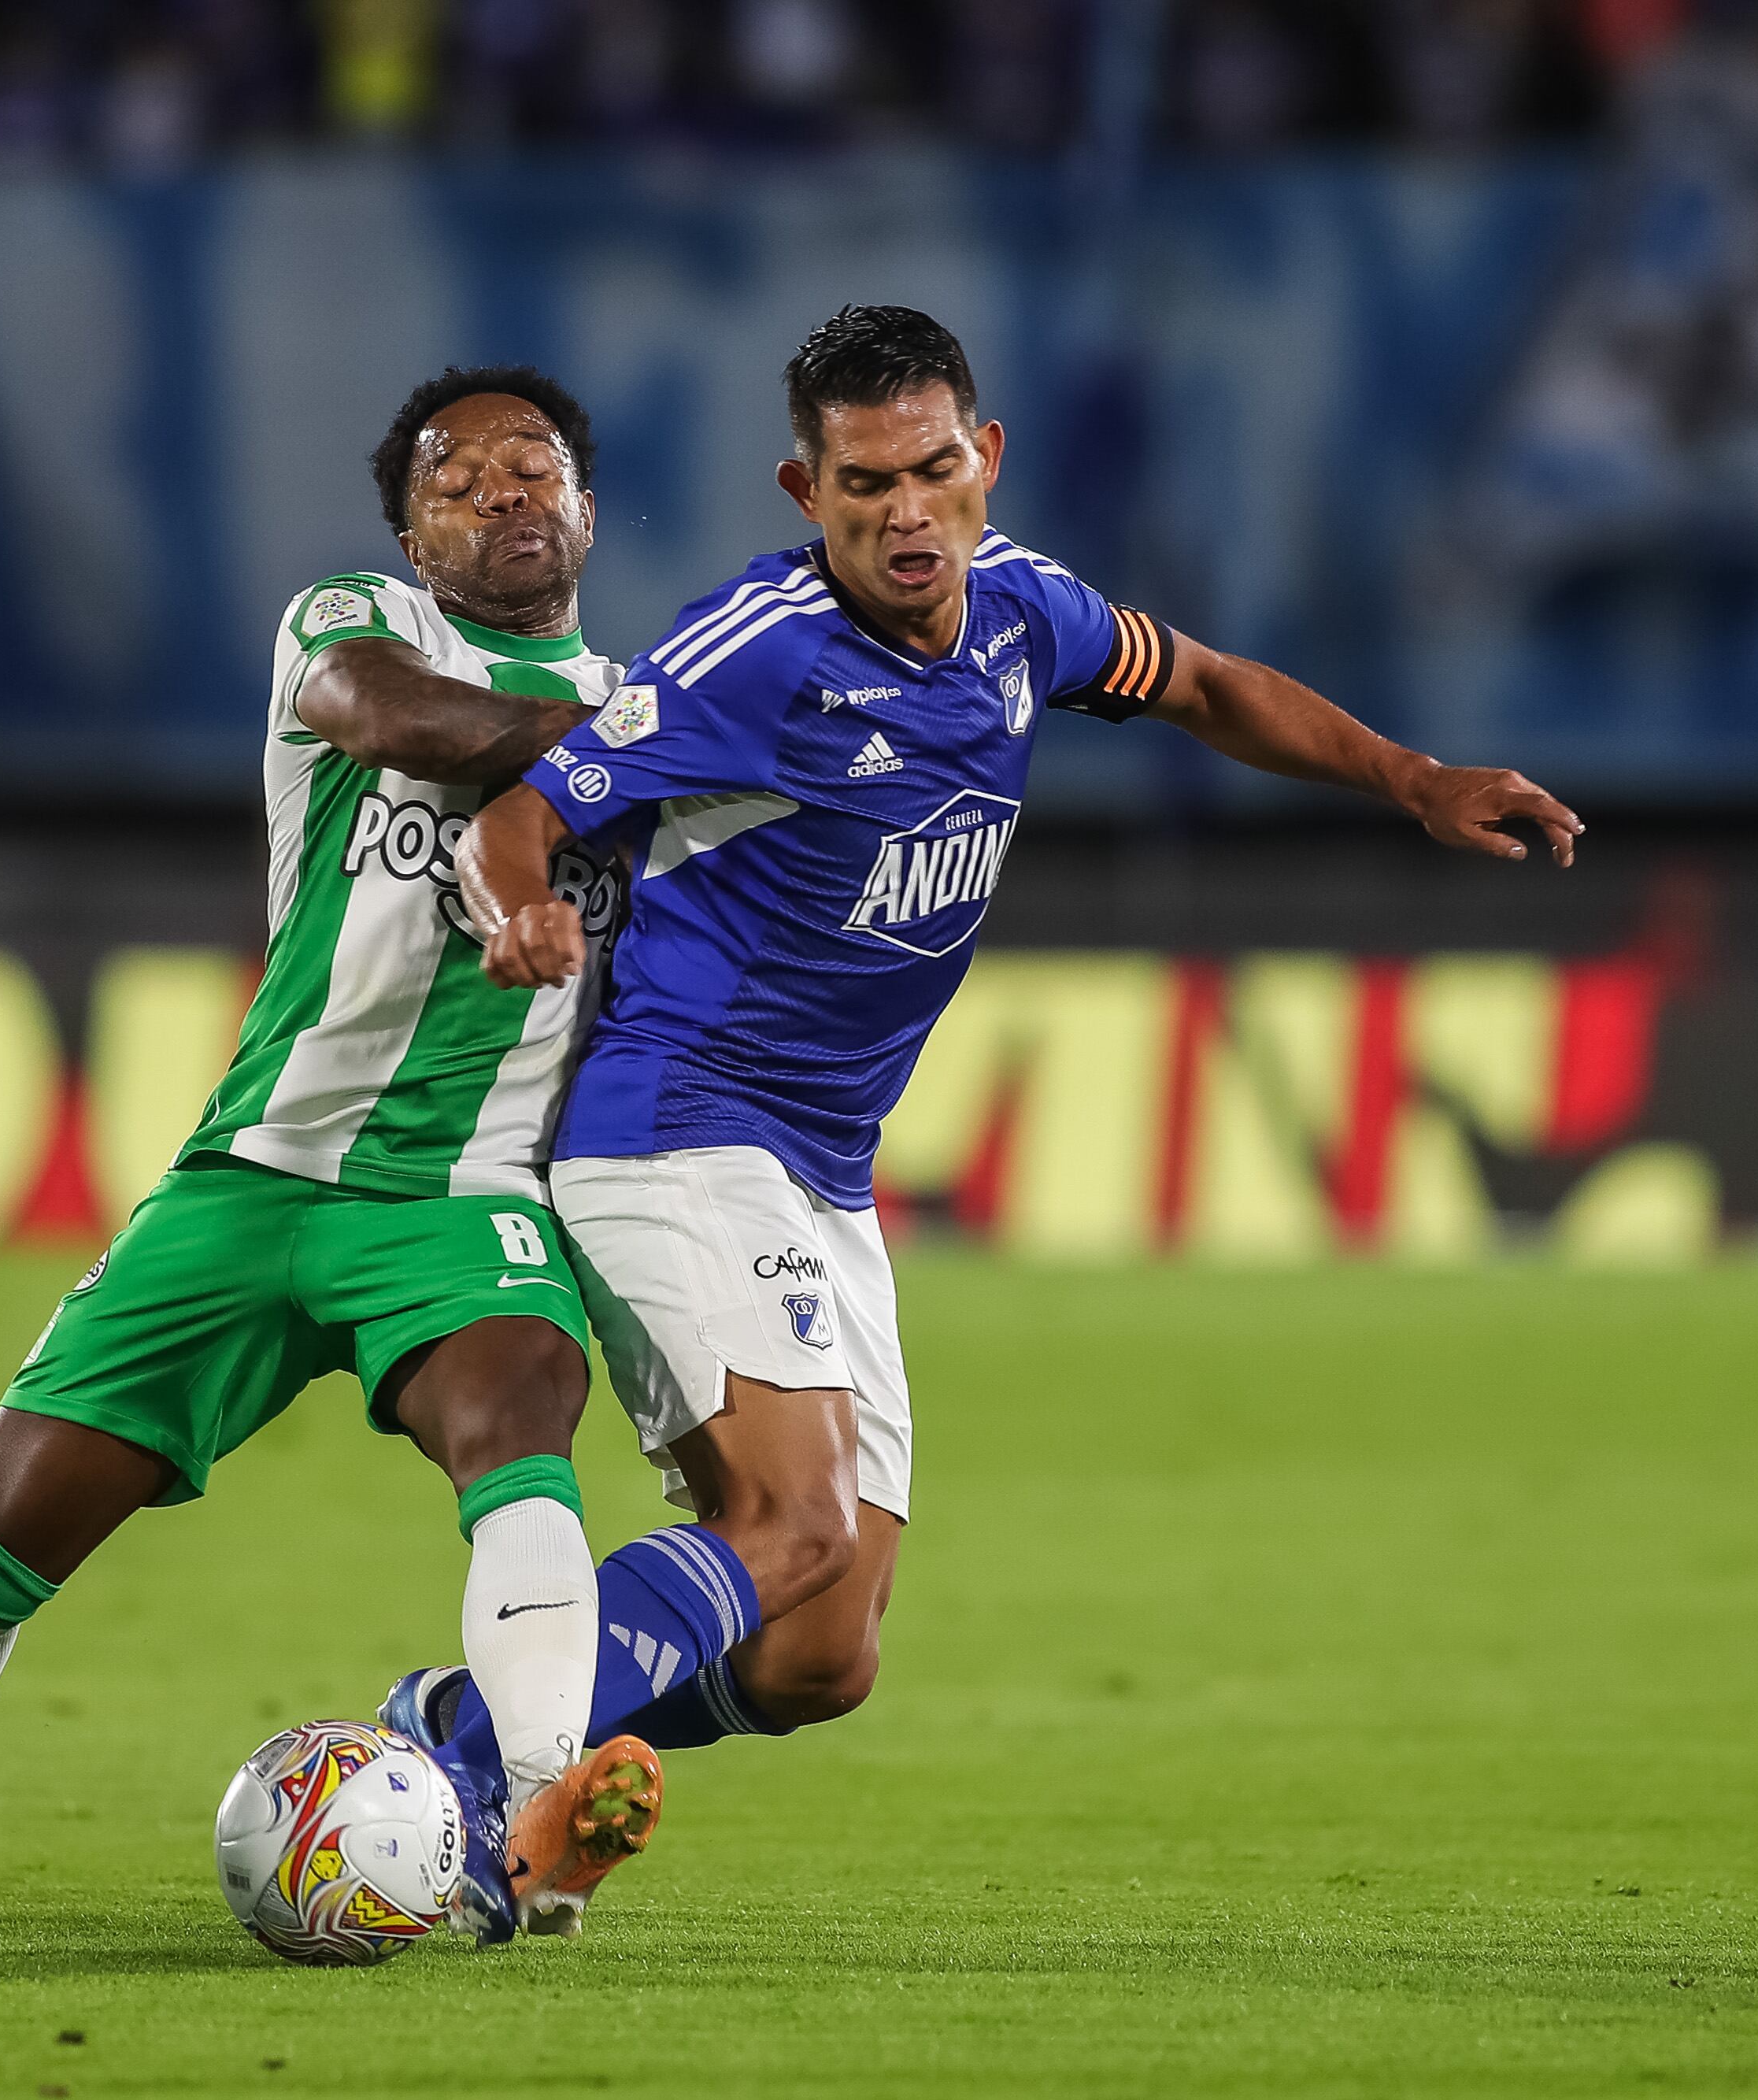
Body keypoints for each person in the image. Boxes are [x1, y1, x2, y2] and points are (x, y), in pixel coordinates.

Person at [394, 306, 1581, 1887]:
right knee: (796, 1521)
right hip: (679, 1123)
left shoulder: (1026, 608)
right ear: (801, 490)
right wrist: (524, 907)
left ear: (983, 458)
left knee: (822, 1654)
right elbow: (522, 822)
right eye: (863, 482)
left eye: (932, 469)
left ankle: (463, 1705)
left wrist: (1411, 782)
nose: (904, 513)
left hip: (821, 1166)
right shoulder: (747, 657)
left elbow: (1206, 685)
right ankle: (466, 1790)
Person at [0, 366, 664, 1944]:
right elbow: (392, 722)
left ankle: (535, 1814)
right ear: (407, 527)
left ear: (590, 506)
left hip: (456, 1194)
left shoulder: (653, 713)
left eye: (537, 466)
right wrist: (640, 744)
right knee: (7, 1517)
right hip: (251, 1176)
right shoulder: (356, 626)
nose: (507, 492)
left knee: (518, 1407)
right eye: (463, 479)